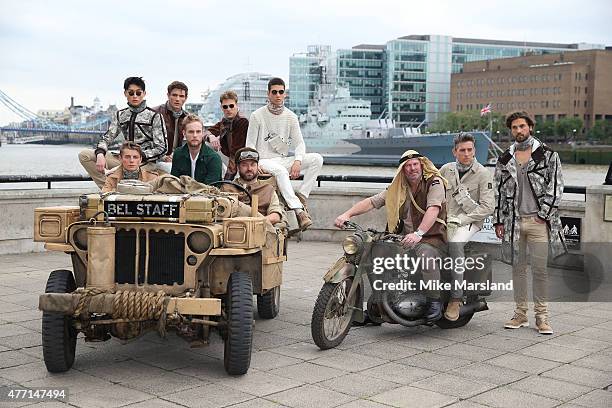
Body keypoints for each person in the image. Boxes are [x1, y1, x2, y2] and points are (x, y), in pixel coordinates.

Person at [335, 150, 448, 321]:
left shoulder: (434, 182)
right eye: (408, 166)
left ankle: (434, 301)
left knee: (426, 256)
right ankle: (379, 306)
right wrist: (347, 214)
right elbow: (372, 202)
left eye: (415, 164)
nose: (412, 168)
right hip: (402, 237)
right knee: (375, 254)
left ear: (421, 165)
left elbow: (433, 208)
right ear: (403, 169)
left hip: (431, 236)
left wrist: (419, 233)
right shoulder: (398, 188)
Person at [494, 110, 566, 335]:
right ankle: (521, 314)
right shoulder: (505, 158)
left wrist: (542, 216)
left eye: (522, 127)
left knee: (540, 270)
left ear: (530, 128)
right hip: (514, 222)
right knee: (518, 271)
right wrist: (499, 220)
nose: (518, 131)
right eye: (514, 127)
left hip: (538, 223)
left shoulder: (548, 155)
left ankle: (542, 316)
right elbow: (497, 191)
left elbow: (556, 188)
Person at [245, 77, 323, 231]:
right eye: (274, 92)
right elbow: (250, 144)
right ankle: (299, 212)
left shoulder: (291, 117)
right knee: (281, 171)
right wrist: (255, 162)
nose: (278, 95)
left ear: (285, 94)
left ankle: (302, 197)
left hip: (281, 160)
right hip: (263, 160)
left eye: (281, 92)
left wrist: (298, 161)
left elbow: (300, 143)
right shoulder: (257, 115)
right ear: (268, 94)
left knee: (317, 159)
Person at [440, 133, 495, 321]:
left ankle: (456, 298)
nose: (466, 154)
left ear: (474, 150)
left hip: (470, 222)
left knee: (455, 243)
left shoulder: (483, 174)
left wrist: (461, 221)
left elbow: (488, 207)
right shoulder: (446, 170)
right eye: (462, 150)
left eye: (469, 150)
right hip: (445, 219)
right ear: (454, 152)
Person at [79, 76, 167, 189]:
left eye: (138, 93)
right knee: (85, 155)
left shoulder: (155, 116)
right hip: (123, 159)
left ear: (144, 93)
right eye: (131, 93)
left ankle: (119, 186)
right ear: (125, 93)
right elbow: (107, 137)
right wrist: (100, 154)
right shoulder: (120, 115)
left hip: (145, 163)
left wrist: (140, 156)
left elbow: (162, 148)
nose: (135, 96)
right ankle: (109, 188)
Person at [220, 147, 284, 225]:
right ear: (237, 167)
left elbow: (275, 216)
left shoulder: (268, 189)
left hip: (259, 231)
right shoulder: (227, 188)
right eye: (244, 165)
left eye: (253, 165)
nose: (249, 168)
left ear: (258, 166)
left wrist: (254, 223)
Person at [205, 90, 249, 180]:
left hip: (240, 158)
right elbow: (207, 132)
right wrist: (211, 136)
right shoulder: (224, 122)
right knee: (206, 145)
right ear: (222, 108)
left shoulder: (242, 121)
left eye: (231, 106)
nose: (228, 109)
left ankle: (224, 179)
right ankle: (215, 175)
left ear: (237, 106)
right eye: (225, 107)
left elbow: (236, 152)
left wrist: (228, 178)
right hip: (228, 156)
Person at [170, 114, 222, 185]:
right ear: (184, 133)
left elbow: (211, 188)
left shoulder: (214, 158)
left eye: (198, 132)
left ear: (202, 133)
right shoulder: (178, 154)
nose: (195, 135)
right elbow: (174, 182)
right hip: (182, 194)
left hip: (207, 195)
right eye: (191, 132)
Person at [153, 81, 190, 172]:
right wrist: (163, 157)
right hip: (157, 159)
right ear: (168, 95)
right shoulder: (155, 113)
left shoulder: (187, 117)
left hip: (178, 158)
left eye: (181, 96)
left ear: (185, 98)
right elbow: (146, 141)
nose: (177, 99)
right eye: (174, 95)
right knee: (172, 170)